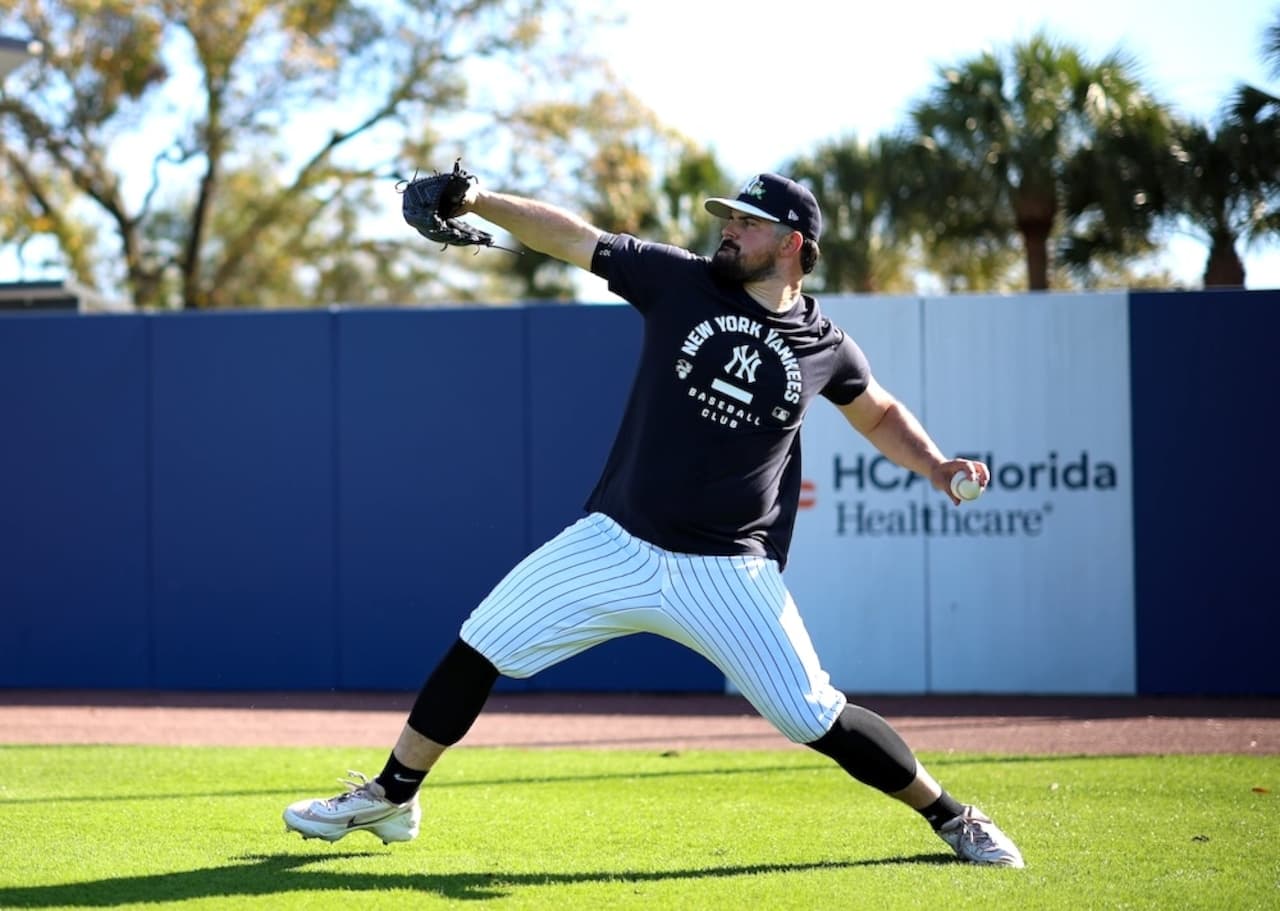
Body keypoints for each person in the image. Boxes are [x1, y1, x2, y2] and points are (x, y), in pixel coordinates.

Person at [283, 170, 1025, 868]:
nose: (729, 228)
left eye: (749, 222)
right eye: (729, 217)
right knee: (480, 643)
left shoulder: (824, 345)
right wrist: (477, 198)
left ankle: (952, 815)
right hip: (618, 541)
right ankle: (392, 796)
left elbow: (879, 410)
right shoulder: (680, 281)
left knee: (814, 716)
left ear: (794, 243)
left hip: (729, 569)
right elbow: (572, 236)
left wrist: (935, 465)